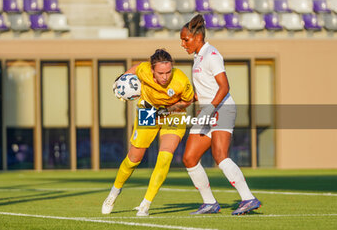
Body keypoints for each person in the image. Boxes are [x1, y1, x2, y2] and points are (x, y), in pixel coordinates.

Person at [180, 14, 261, 215]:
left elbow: (224, 87)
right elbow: (205, 91)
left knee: (219, 155)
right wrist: (182, 102)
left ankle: (248, 198)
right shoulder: (198, 57)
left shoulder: (212, 55)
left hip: (221, 109)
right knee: (189, 158)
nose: (183, 44)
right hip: (207, 111)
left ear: (198, 37)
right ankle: (209, 203)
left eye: (185, 39)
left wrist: (209, 109)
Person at [102, 49, 194, 217]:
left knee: (165, 157)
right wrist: (121, 80)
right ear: (152, 71)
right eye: (161, 73)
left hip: (173, 114)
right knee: (133, 159)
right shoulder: (144, 70)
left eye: (168, 72)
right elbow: (137, 68)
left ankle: (145, 204)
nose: (165, 76)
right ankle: (113, 194)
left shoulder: (181, 80)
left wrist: (167, 110)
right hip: (148, 111)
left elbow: (188, 100)